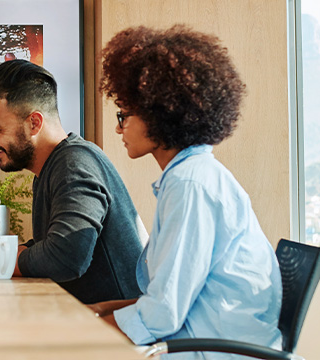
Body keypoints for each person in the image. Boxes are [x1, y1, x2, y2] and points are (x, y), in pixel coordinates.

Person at [90, 25, 282, 354]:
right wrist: (104, 310)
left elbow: (163, 314)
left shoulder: (190, 185)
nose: (118, 126)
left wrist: (83, 327)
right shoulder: (189, 176)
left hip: (212, 349)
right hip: (200, 336)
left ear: (159, 113)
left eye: (124, 114)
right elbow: (169, 297)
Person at [0, 59, 144, 304]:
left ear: (34, 123)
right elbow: (51, 246)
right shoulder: (54, 165)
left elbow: (66, 257)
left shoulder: (74, 166)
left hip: (113, 333)